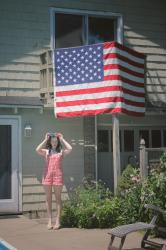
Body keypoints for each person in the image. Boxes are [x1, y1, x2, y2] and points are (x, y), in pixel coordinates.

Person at [36, 132, 72, 230]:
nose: (54, 143)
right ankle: (49, 221)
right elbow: (37, 149)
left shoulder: (61, 151)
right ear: (50, 142)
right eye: (52, 141)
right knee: (48, 198)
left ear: (58, 142)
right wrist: (45, 139)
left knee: (58, 198)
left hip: (58, 176)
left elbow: (70, 148)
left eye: (56, 141)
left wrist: (62, 139)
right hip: (47, 176)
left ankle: (58, 221)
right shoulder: (46, 151)